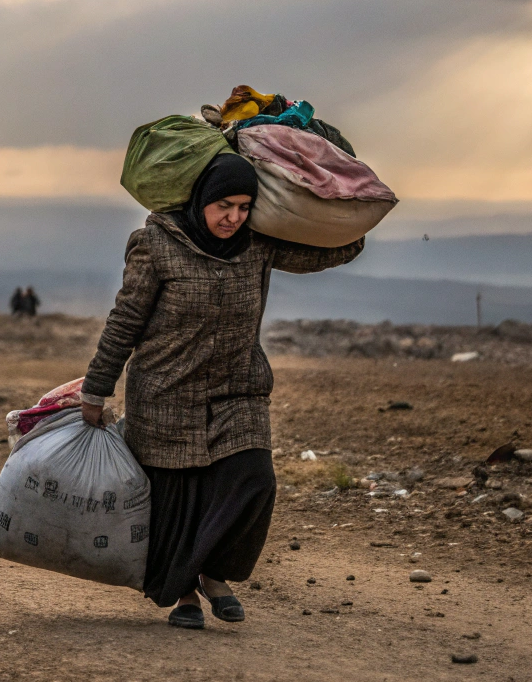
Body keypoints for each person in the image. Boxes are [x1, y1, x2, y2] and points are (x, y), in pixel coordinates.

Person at [77, 154, 364, 629]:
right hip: (167, 392)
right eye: (224, 205)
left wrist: (351, 208)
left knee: (254, 480)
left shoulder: (257, 245)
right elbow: (125, 320)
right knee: (177, 501)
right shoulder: (156, 245)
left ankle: (216, 572)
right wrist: (96, 389)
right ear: (200, 201)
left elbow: (331, 251)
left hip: (238, 390)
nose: (234, 218)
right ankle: (186, 594)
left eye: (244, 207)